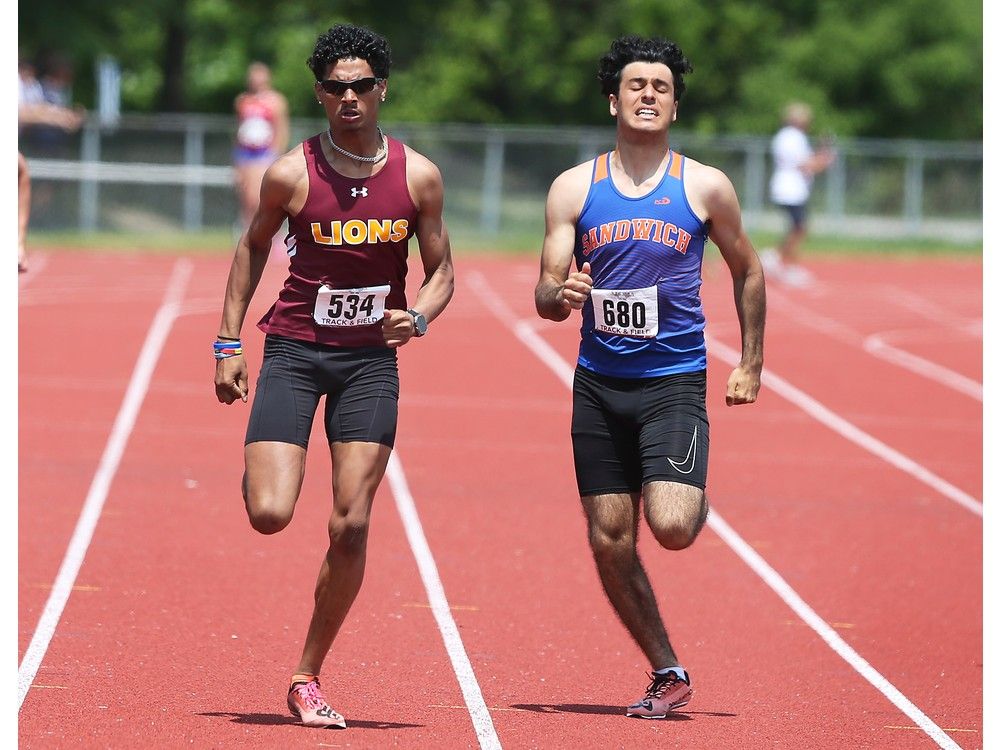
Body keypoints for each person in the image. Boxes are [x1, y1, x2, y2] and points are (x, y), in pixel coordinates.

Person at [213, 24, 454, 728]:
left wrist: (422, 316)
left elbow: (442, 272)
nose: (348, 97)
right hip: (294, 348)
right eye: (334, 87)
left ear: (383, 89)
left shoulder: (417, 176)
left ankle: (306, 675)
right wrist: (228, 344)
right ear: (319, 94)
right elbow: (250, 251)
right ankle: (262, 468)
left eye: (361, 86)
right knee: (270, 513)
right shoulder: (290, 173)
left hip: (370, 363)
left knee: (351, 523)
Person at [534, 35, 765, 719]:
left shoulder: (704, 186)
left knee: (670, 525)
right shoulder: (575, 188)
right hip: (599, 384)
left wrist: (750, 361)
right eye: (636, 85)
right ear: (613, 98)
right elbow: (544, 297)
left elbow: (747, 269)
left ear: (674, 103)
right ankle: (666, 668)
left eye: (660, 87)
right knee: (609, 535)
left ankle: (687, 494)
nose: (647, 95)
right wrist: (562, 294)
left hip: (674, 381)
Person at [18, 57, 83, 272]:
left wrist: (63, 115)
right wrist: (60, 118)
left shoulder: (30, 87)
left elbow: (37, 109)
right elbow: (24, 112)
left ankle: (18, 244)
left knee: (21, 171)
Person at [762, 102, 835, 287]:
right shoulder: (793, 137)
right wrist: (825, 159)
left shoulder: (786, 136)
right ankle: (786, 264)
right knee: (799, 228)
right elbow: (805, 164)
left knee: (797, 228)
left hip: (789, 189)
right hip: (791, 190)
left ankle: (776, 258)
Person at [233, 61, 289, 239]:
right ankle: (246, 230)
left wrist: (276, 154)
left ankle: (273, 233)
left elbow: (281, 129)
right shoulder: (243, 100)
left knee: (260, 195)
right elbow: (239, 128)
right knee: (245, 194)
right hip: (245, 151)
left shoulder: (276, 101)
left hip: (264, 152)